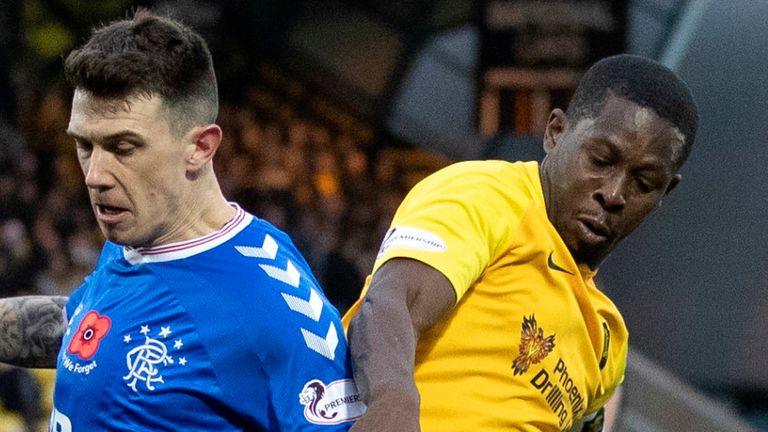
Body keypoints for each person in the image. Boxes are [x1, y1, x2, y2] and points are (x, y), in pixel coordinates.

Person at [0, 9, 365, 431]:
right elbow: (87, 326)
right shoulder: (135, 236)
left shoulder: (268, 303)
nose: (95, 176)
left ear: (201, 146)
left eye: (123, 147)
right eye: (85, 145)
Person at [344, 54, 698, 432]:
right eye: (600, 160)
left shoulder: (608, 340)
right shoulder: (490, 197)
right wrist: (390, 401)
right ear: (556, 132)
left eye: (642, 183)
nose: (613, 194)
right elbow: (392, 302)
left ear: (665, 193)